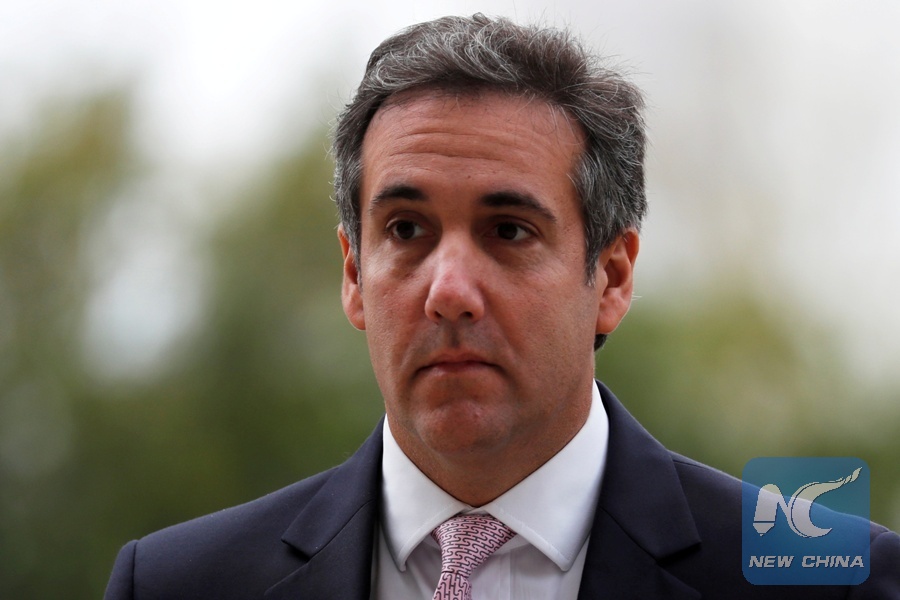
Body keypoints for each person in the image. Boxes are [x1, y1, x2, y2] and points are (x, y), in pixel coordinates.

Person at [104, 14, 899, 599]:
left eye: (509, 231)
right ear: (353, 274)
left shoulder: (826, 580)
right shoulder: (179, 584)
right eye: (406, 230)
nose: (449, 291)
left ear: (612, 277)